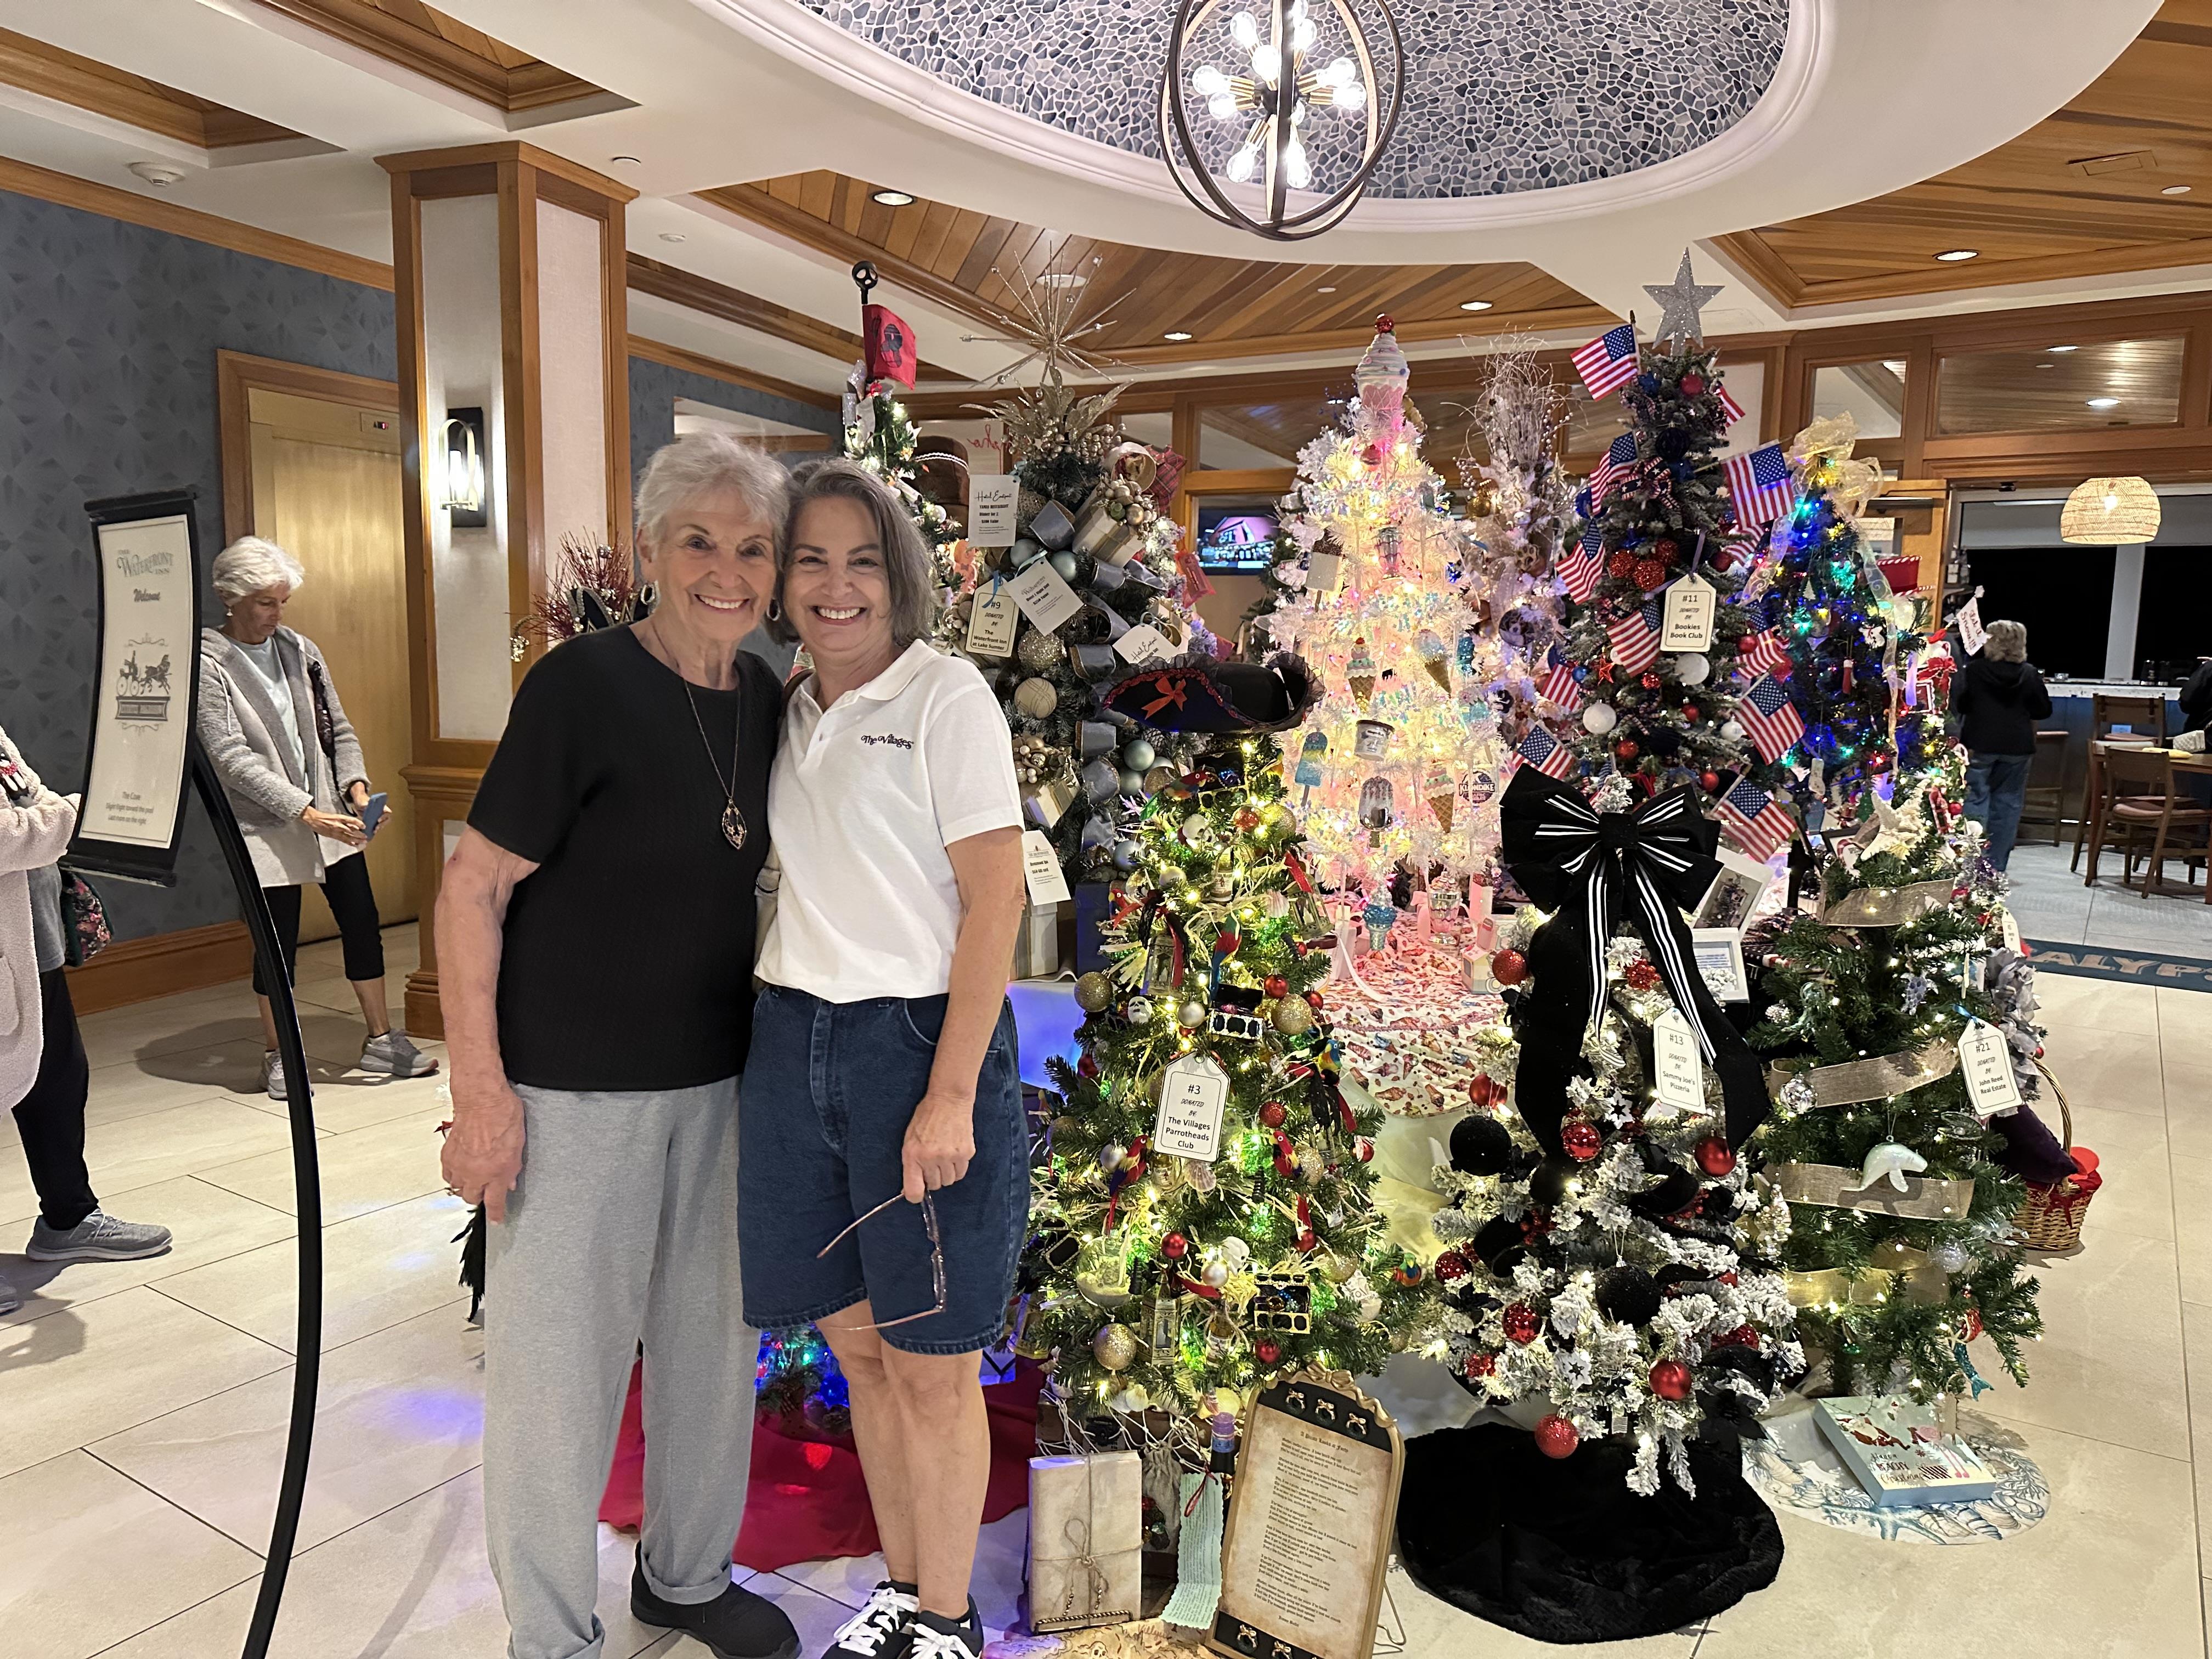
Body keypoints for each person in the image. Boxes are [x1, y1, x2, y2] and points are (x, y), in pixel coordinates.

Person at [439, 432, 799, 1659]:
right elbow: (471, 891)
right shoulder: (579, 686)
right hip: (570, 1093)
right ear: (649, 549)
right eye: (699, 540)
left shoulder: (761, 698)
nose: (727, 570)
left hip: (723, 1082)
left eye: (752, 547)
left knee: (712, 1351)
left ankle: (686, 1578)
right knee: (558, 1383)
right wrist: (478, 1097)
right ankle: (550, 1636)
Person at [743, 458, 1027, 1659]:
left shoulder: (947, 695)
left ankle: (952, 1620)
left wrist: (951, 1093)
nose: (836, 584)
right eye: (811, 559)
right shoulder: (786, 706)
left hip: (912, 1047)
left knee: (932, 1360)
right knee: (858, 1347)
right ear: (781, 580)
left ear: (898, 578)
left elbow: (996, 899)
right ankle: (906, 1592)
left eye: (862, 560)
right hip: (790, 1041)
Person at [196, 537, 435, 1098]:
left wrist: (353, 789)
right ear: (231, 598)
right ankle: (280, 1054)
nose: (277, 614)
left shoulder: (301, 649)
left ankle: (381, 1039)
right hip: (268, 822)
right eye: (265, 603)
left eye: (281, 602)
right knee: (275, 940)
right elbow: (229, 757)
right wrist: (304, 812)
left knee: (361, 919)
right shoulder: (208, 663)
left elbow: (339, 730)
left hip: (329, 812)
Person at [0, 723, 171, 1315]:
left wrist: (60, 814)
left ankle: (68, 1218)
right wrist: (90, 812)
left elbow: (31, 796)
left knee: (57, 1078)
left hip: (29, 943)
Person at [1956, 618, 2052, 872]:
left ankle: (1969, 866)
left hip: (1979, 744)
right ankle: (1995, 869)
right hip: (2018, 748)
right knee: (2008, 806)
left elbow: (1962, 705)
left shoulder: (1974, 671)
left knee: (1975, 802)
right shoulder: (2030, 674)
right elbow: (2043, 710)